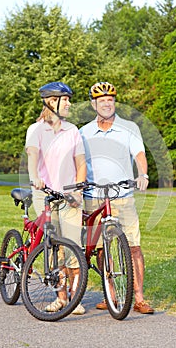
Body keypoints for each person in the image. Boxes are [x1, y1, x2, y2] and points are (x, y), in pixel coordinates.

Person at [80, 82, 154, 314]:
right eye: (101, 100)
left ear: (114, 102)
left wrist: (143, 174)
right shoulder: (84, 132)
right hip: (93, 196)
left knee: (133, 246)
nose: (106, 104)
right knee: (100, 249)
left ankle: (139, 298)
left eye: (110, 100)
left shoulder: (129, 127)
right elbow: (79, 161)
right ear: (94, 104)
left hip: (122, 195)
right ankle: (110, 295)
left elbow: (139, 154)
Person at [25, 81, 86, 315]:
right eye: (65, 99)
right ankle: (61, 298)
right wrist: (34, 178)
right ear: (52, 102)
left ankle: (75, 298)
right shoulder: (36, 130)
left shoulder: (72, 131)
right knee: (55, 248)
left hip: (69, 195)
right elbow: (33, 157)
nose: (69, 103)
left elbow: (80, 163)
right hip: (46, 194)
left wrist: (78, 189)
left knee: (74, 247)